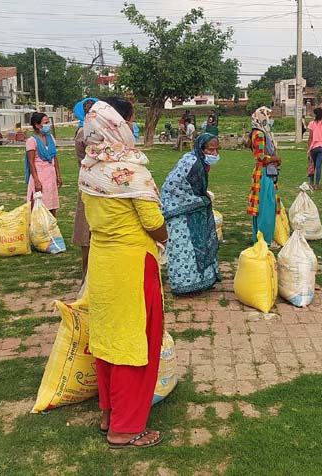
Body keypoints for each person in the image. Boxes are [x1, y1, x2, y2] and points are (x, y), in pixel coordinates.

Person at [80, 97, 167, 448]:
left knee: (107, 338)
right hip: (132, 265)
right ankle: (126, 428)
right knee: (134, 341)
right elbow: (153, 222)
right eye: (128, 122)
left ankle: (109, 413)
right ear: (117, 127)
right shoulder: (132, 173)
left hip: (102, 262)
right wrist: (165, 237)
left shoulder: (89, 168)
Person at [160, 133, 221, 295]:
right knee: (184, 248)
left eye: (217, 150)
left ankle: (203, 280)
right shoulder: (192, 162)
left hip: (191, 207)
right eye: (211, 150)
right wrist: (197, 200)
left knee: (200, 243)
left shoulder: (198, 160)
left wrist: (201, 196)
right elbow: (173, 185)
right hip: (179, 211)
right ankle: (184, 286)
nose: (214, 154)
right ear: (201, 149)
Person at [246, 106, 282, 245]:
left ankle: (259, 238)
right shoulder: (260, 134)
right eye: (269, 116)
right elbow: (260, 156)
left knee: (261, 207)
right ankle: (265, 240)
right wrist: (275, 159)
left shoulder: (259, 132)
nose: (270, 120)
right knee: (267, 208)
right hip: (264, 174)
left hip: (263, 173)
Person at [72, 97, 98, 278]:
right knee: (88, 229)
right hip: (93, 184)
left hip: (87, 182)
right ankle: (88, 274)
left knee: (88, 228)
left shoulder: (84, 131)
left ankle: (88, 274)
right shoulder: (87, 134)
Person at [24, 113, 61, 216]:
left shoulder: (51, 139)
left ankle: (51, 229)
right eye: (46, 123)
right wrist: (36, 181)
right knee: (39, 205)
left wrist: (58, 175)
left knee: (52, 205)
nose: (47, 125)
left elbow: (54, 158)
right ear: (37, 125)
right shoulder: (31, 141)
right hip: (40, 176)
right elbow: (31, 162)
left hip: (51, 176)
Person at [306, 107, 322, 190]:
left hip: (313, 147)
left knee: (313, 165)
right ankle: (317, 184)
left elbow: (310, 137)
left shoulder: (312, 124)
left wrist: (308, 148)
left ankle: (311, 183)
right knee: (319, 166)